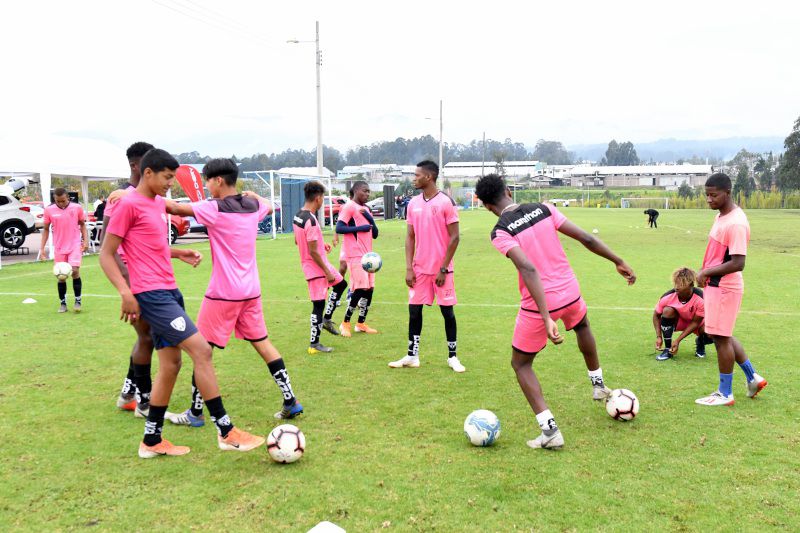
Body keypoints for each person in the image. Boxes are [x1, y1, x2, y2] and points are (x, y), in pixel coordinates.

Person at [101, 148, 264, 457]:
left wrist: (179, 252)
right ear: (147, 173)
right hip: (152, 296)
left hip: (169, 291)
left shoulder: (155, 203)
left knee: (171, 365)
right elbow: (106, 254)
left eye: (173, 178)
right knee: (202, 350)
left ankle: (151, 441)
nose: (170, 184)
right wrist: (125, 293)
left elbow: (149, 244)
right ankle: (226, 431)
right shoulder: (128, 204)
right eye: (166, 177)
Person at [474, 174, 636, 449]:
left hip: (540, 304)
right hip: (570, 291)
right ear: (508, 191)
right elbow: (586, 238)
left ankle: (550, 432)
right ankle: (598, 385)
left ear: (486, 205)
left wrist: (547, 315)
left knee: (521, 364)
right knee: (582, 326)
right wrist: (617, 260)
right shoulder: (543, 208)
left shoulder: (500, 232)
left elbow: (528, 268)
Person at [160, 158, 304, 426]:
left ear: (217, 181)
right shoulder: (252, 205)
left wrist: (135, 195)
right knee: (262, 343)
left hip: (223, 293)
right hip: (251, 290)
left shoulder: (213, 208)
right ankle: (291, 400)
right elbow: (270, 206)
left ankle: (195, 412)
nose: (206, 186)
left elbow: (174, 207)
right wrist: (256, 194)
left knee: (200, 350)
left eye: (207, 181)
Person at [694, 173, 767, 406]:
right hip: (715, 286)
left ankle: (725, 393)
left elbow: (738, 262)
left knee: (721, 339)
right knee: (720, 334)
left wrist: (706, 272)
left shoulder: (735, 223)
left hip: (724, 287)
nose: (709, 199)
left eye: (713, 195)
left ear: (728, 192)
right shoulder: (721, 216)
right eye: (706, 195)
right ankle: (752, 377)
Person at [389, 161, 465, 373]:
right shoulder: (413, 203)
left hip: (442, 270)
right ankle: (412, 355)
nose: (414, 178)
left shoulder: (445, 202)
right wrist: (408, 267)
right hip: (419, 269)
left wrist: (443, 268)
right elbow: (410, 237)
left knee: (447, 312)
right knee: (414, 311)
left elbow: (455, 237)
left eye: (417, 175)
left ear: (429, 177)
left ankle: (453, 357)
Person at [103, 142, 158, 415]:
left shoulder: (147, 196)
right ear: (137, 166)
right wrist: (127, 286)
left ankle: (129, 393)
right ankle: (141, 400)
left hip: (149, 278)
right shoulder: (121, 198)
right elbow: (107, 247)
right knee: (147, 336)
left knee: (146, 336)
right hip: (135, 281)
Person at [294, 181, 348, 354]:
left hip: (318, 263)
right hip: (316, 269)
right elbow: (311, 251)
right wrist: (326, 271)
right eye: (323, 198)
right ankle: (314, 344)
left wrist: (320, 244)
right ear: (317, 198)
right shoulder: (310, 219)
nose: (322, 201)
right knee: (318, 305)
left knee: (341, 285)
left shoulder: (298, 216)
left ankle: (326, 319)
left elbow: (298, 240)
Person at [336, 180, 379, 337]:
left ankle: (360, 323)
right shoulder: (349, 207)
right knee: (360, 288)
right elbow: (339, 228)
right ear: (355, 191)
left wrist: (369, 217)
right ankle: (345, 323)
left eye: (369, 191)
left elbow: (375, 233)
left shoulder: (366, 209)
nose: (367, 194)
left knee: (369, 289)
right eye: (364, 191)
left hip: (368, 256)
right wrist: (359, 228)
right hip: (355, 254)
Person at [40, 188, 88, 313]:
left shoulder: (76, 207)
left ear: (68, 198)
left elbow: (82, 224)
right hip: (59, 247)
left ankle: (78, 301)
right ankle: (63, 304)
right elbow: (45, 229)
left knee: (75, 271)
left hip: (74, 245)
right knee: (61, 276)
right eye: (58, 201)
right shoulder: (49, 210)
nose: (61, 203)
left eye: (63, 201)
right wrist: (42, 249)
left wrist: (86, 241)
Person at [653, 267, 712, 361]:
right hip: (678, 322)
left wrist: (678, 340)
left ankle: (701, 342)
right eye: (676, 283)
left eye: (681, 284)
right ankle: (668, 349)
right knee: (667, 311)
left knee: (712, 333)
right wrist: (659, 336)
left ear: (691, 284)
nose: (676, 287)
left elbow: (696, 323)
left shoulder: (701, 298)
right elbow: (656, 315)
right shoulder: (667, 296)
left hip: (697, 324)